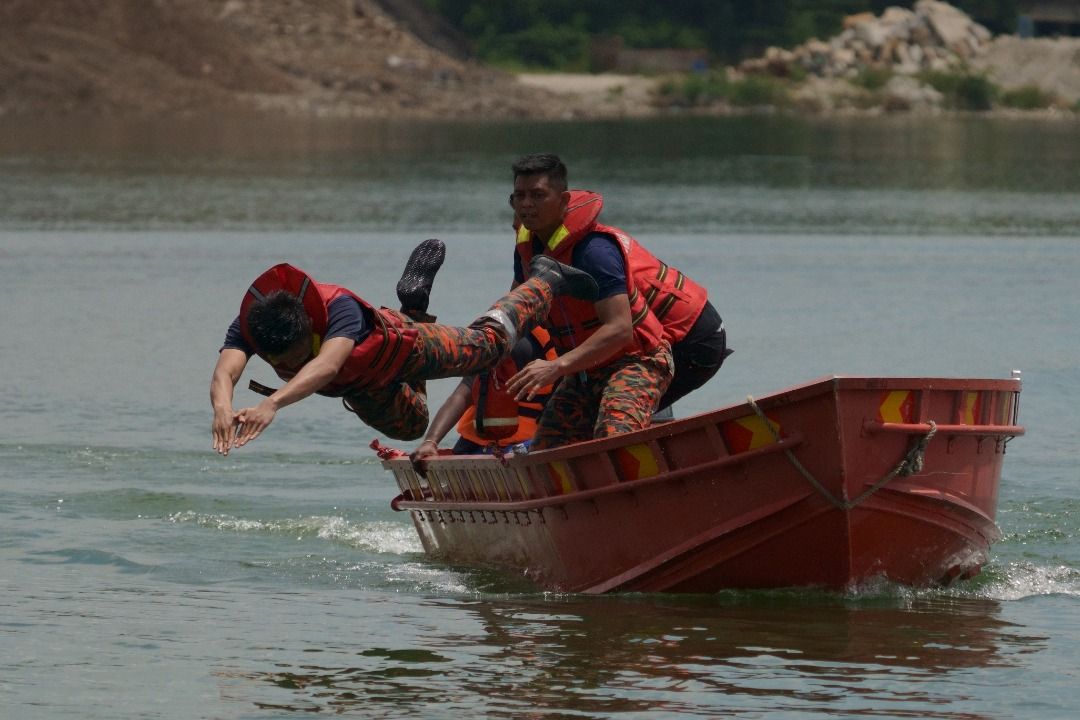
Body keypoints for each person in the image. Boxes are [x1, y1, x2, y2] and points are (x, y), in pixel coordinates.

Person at [209, 241, 598, 455]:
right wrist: (223, 410)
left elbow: (327, 366)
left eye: (291, 359)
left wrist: (271, 403)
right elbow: (226, 371)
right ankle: (415, 305)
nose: (285, 367)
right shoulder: (254, 324)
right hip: (363, 384)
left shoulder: (339, 310)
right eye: (276, 362)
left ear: (308, 326)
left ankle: (544, 279)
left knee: (490, 348)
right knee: (412, 428)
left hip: (405, 348)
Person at [505, 154, 731, 449]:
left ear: (563, 201)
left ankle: (657, 469)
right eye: (519, 197)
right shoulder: (528, 249)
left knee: (615, 432)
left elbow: (621, 329)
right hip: (594, 362)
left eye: (537, 196)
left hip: (673, 345)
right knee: (549, 446)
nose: (526, 205)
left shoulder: (594, 251)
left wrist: (557, 366)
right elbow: (519, 310)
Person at [409, 325, 558, 474]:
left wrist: (430, 441)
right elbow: (463, 392)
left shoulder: (505, 333)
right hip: (512, 451)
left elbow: (461, 393)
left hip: (474, 447)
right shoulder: (525, 344)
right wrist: (430, 441)